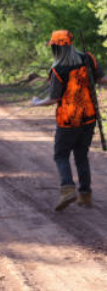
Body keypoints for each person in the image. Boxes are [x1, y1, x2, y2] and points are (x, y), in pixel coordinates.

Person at [32, 29, 107, 211]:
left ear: (56, 48)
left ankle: (67, 190)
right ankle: (85, 195)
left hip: (68, 120)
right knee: (81, 155)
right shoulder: (87, 59)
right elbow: (103, 79)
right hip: (89, 117)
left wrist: (36, 103)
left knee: (61, 155)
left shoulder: (57, 69)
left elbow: (54, 99)